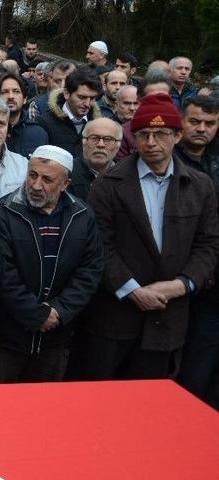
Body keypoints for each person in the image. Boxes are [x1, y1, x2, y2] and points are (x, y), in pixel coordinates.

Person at [75, 93, 219, 380]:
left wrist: (182, 284)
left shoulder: (199, 186)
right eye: (143, 135)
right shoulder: (108, 184)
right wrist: (132, 289)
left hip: (167, 318)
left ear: (177, 136)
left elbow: (208, 244)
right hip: (112, 319)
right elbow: (100, 245)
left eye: (161, 134)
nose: (151, 143)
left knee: (150, 407)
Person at [0, 145, 103, 382]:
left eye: (47, 179)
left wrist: (59, 311)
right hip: (7, 337)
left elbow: (90, 270)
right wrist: (36, 314)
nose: (36, 186)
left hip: (56, 335)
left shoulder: (82, 215)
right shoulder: (2, 212)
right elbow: (1, 272)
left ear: (65, 184)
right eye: (32, 175)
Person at [172, 95, 219, 406]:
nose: (202, 129)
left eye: (211, 123)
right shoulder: (167, 159)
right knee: (193, 367)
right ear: (181, 122)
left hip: (214, 277)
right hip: (183, 279)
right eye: (195, 122)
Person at [38, 67, 103, 158]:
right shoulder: (44, 122)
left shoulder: (100, 126)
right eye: (82, 97)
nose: (87, 104)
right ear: (66, 94)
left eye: (92, 98)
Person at [0, 73, 48, 158]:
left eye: (16, 91)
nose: (11, 96)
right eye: (4, 92)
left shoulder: (38, 133)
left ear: (24, 99)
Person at [68, 118, 122, 200]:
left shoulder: (127, 176)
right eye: (94, 138)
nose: (101, 145)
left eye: (108, 139)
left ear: (118, 146)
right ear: (84, 143)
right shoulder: (67, 173)